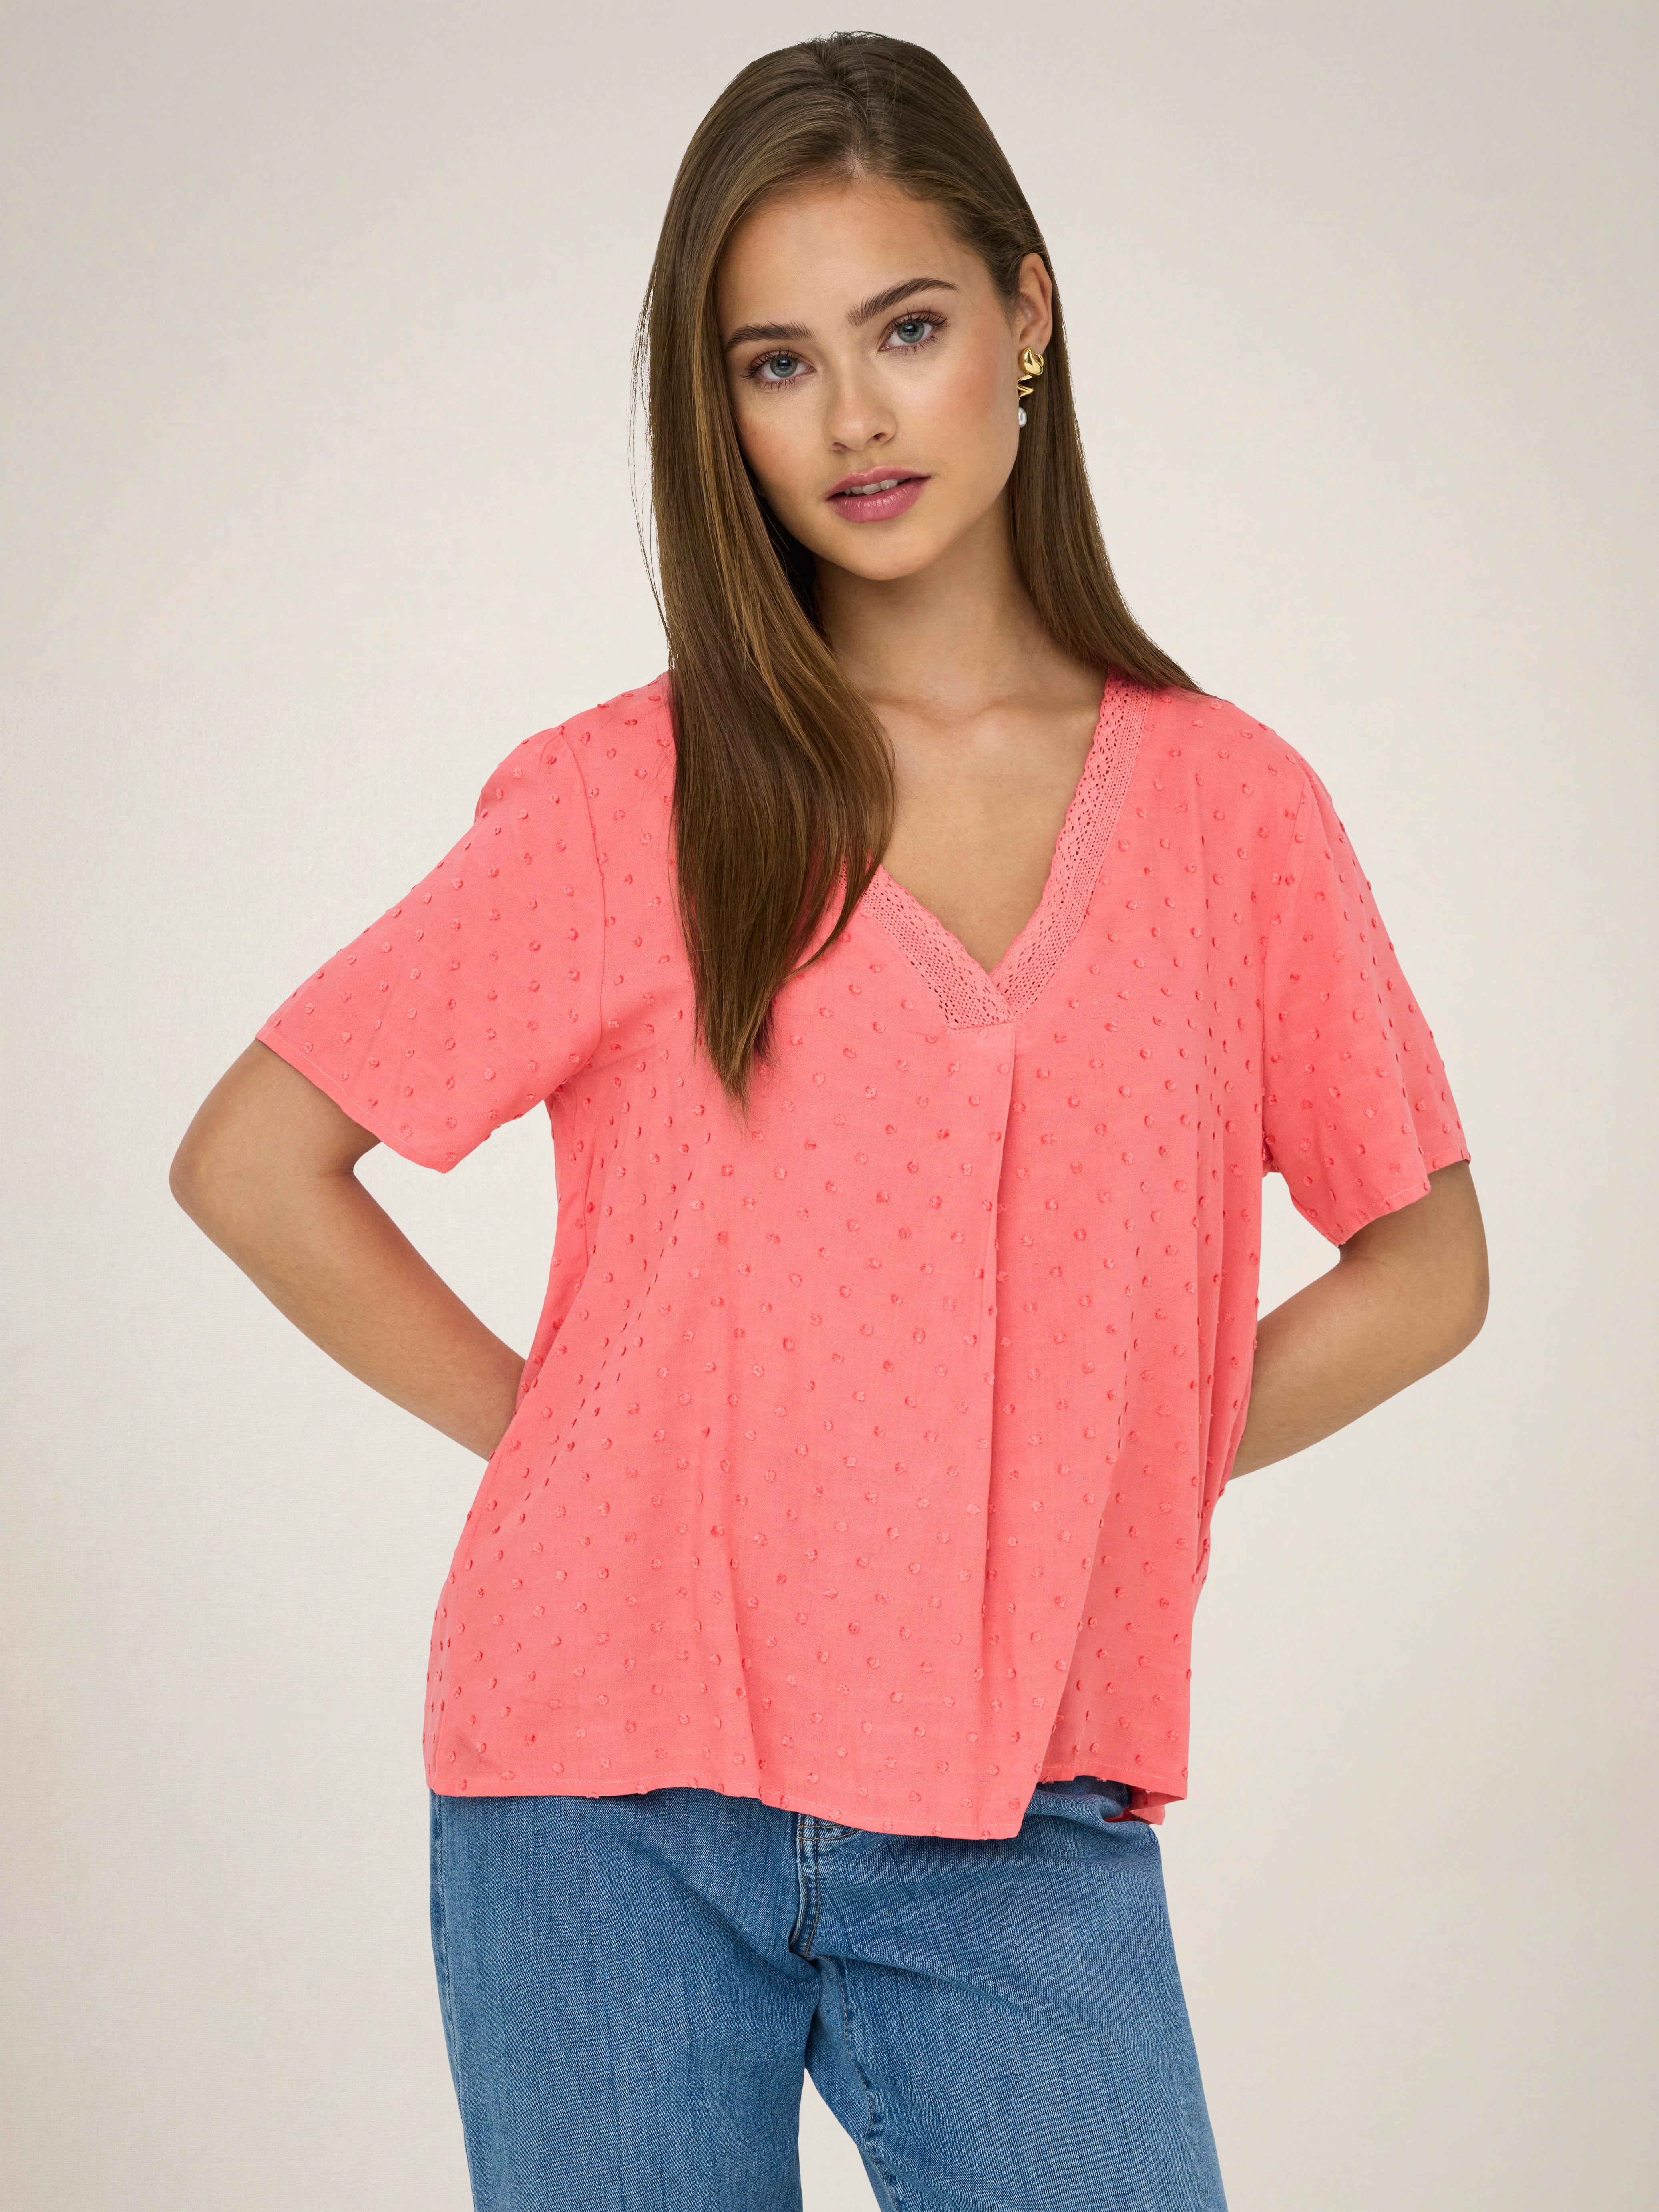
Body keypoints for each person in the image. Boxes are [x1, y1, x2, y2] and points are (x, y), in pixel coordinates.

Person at [170, 30, 1488, 2212]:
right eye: (777, 364)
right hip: (599, 1805)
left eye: (908, 328)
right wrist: (579, 1441)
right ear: (723, 413)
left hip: (1022, 1809)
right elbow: (254, 1159)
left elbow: (1430, 1262)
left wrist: (1099, 1449)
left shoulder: (1233, 817)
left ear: (1028, 314)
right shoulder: (632, 794)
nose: (855, 417)